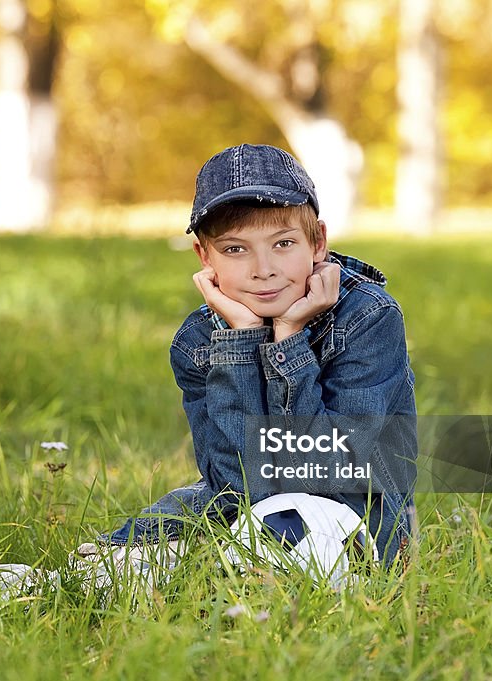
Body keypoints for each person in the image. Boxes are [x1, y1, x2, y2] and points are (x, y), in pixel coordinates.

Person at [93, 143, 417, 570]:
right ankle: (97, 573)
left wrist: (289, 340)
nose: (263, 269)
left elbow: (331, 474)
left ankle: (198, 568)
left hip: (358, 512)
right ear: (204, 257)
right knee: (171, 524)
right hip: (248, 504)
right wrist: (241, 342)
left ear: (317, 242)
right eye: (234, 250)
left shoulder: (368, 320)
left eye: (282, 243)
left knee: (283, 548)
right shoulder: (197, 342)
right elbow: (236, 485)